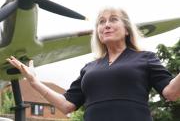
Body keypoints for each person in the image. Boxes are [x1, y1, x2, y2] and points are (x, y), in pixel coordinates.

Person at [7, 7, 180, 121]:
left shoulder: (145, 58)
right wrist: (34, 82)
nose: (106, 25)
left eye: (113, 19)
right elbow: (66, 105)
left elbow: (171, 93)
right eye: (101, 22)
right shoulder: (89, 68)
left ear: (127, 29)